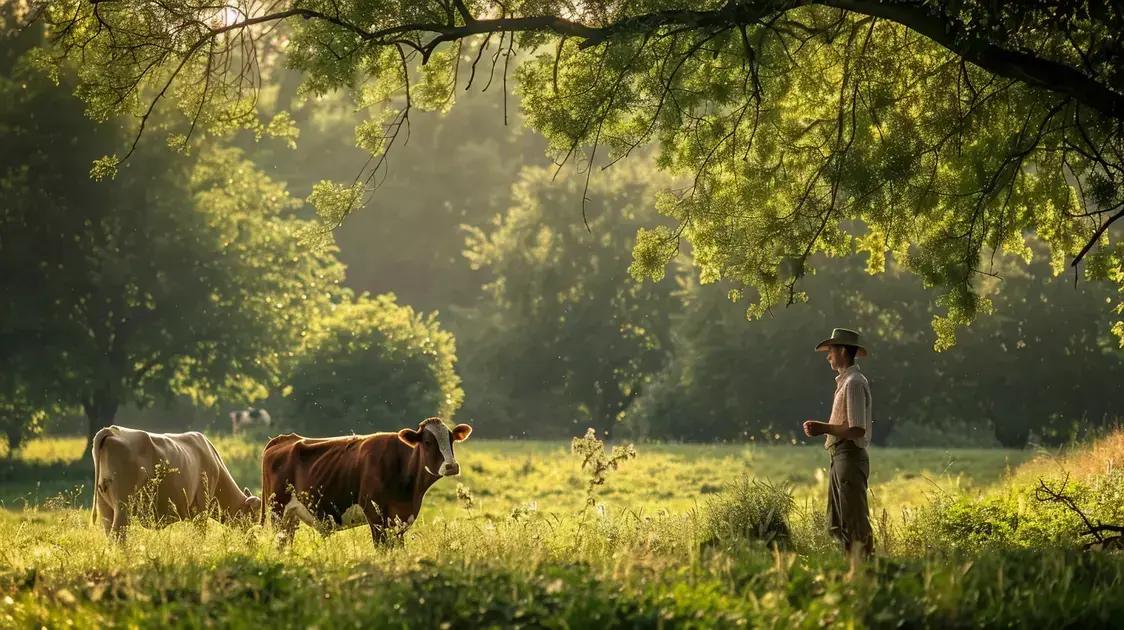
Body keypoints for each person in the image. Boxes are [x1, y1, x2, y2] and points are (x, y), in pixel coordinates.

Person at [802, 327, 874, 563]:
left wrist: (823, 428)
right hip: (840, 457)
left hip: (849, 456)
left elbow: (857, 428)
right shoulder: (847, 382)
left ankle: (862, 571)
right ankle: (853, 570)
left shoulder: (853, 382)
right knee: (840, 521)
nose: (828, 356)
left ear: (842, 351)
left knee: (853, 520)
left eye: (831, 351)